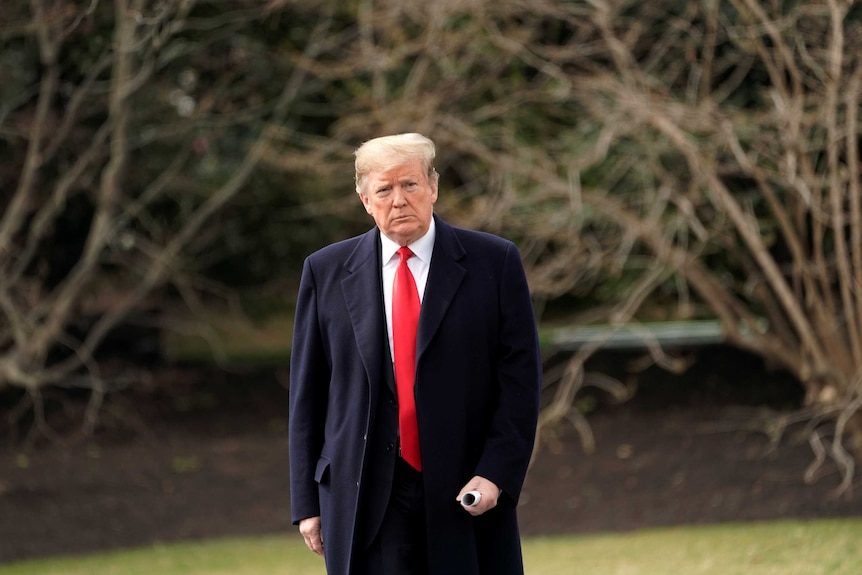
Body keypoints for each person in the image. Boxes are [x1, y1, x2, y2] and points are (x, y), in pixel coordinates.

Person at [288, 132, 542, 575]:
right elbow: (307, 395)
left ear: (434, 188)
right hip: (362, 492)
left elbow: (520, 384)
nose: (399, 200)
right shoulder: (324, 270)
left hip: (465, 488)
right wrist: (307, 502)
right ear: (365, 200)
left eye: (410, 185)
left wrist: (497, 472)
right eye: (384, 189)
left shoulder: (494, 262)